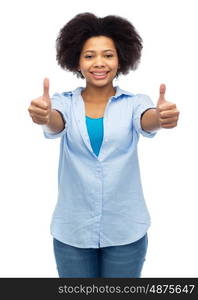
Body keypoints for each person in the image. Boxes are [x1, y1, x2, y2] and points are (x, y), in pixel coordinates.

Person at [28, 12, 180, 278]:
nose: (99, 63)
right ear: (76, 59)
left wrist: (161, 117)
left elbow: (147, 120)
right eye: (89, 56)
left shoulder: (135, 102)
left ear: (121, 58)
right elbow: (55, 122)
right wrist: (44, 116)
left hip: (126, 232)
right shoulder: (63, 102)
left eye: (108, 55)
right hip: (72, 234)